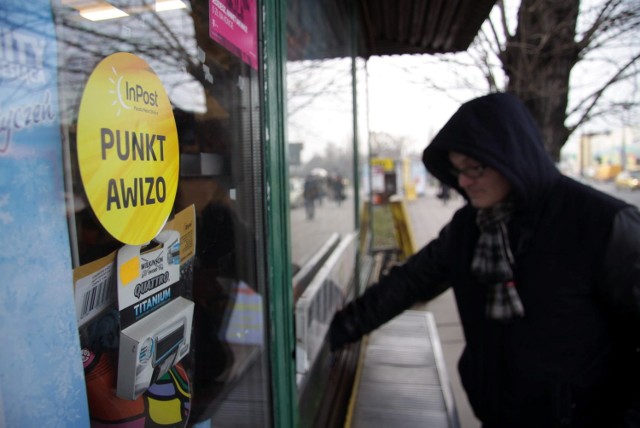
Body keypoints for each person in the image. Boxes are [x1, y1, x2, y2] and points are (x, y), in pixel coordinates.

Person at [328, 93, 640, 427]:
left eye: (474, 168)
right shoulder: (470, 227)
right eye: (457, 170)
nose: (462, 182)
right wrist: (332, 332)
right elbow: (410, 282)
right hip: (497, 415)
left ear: (512, 157)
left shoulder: (604, 224)